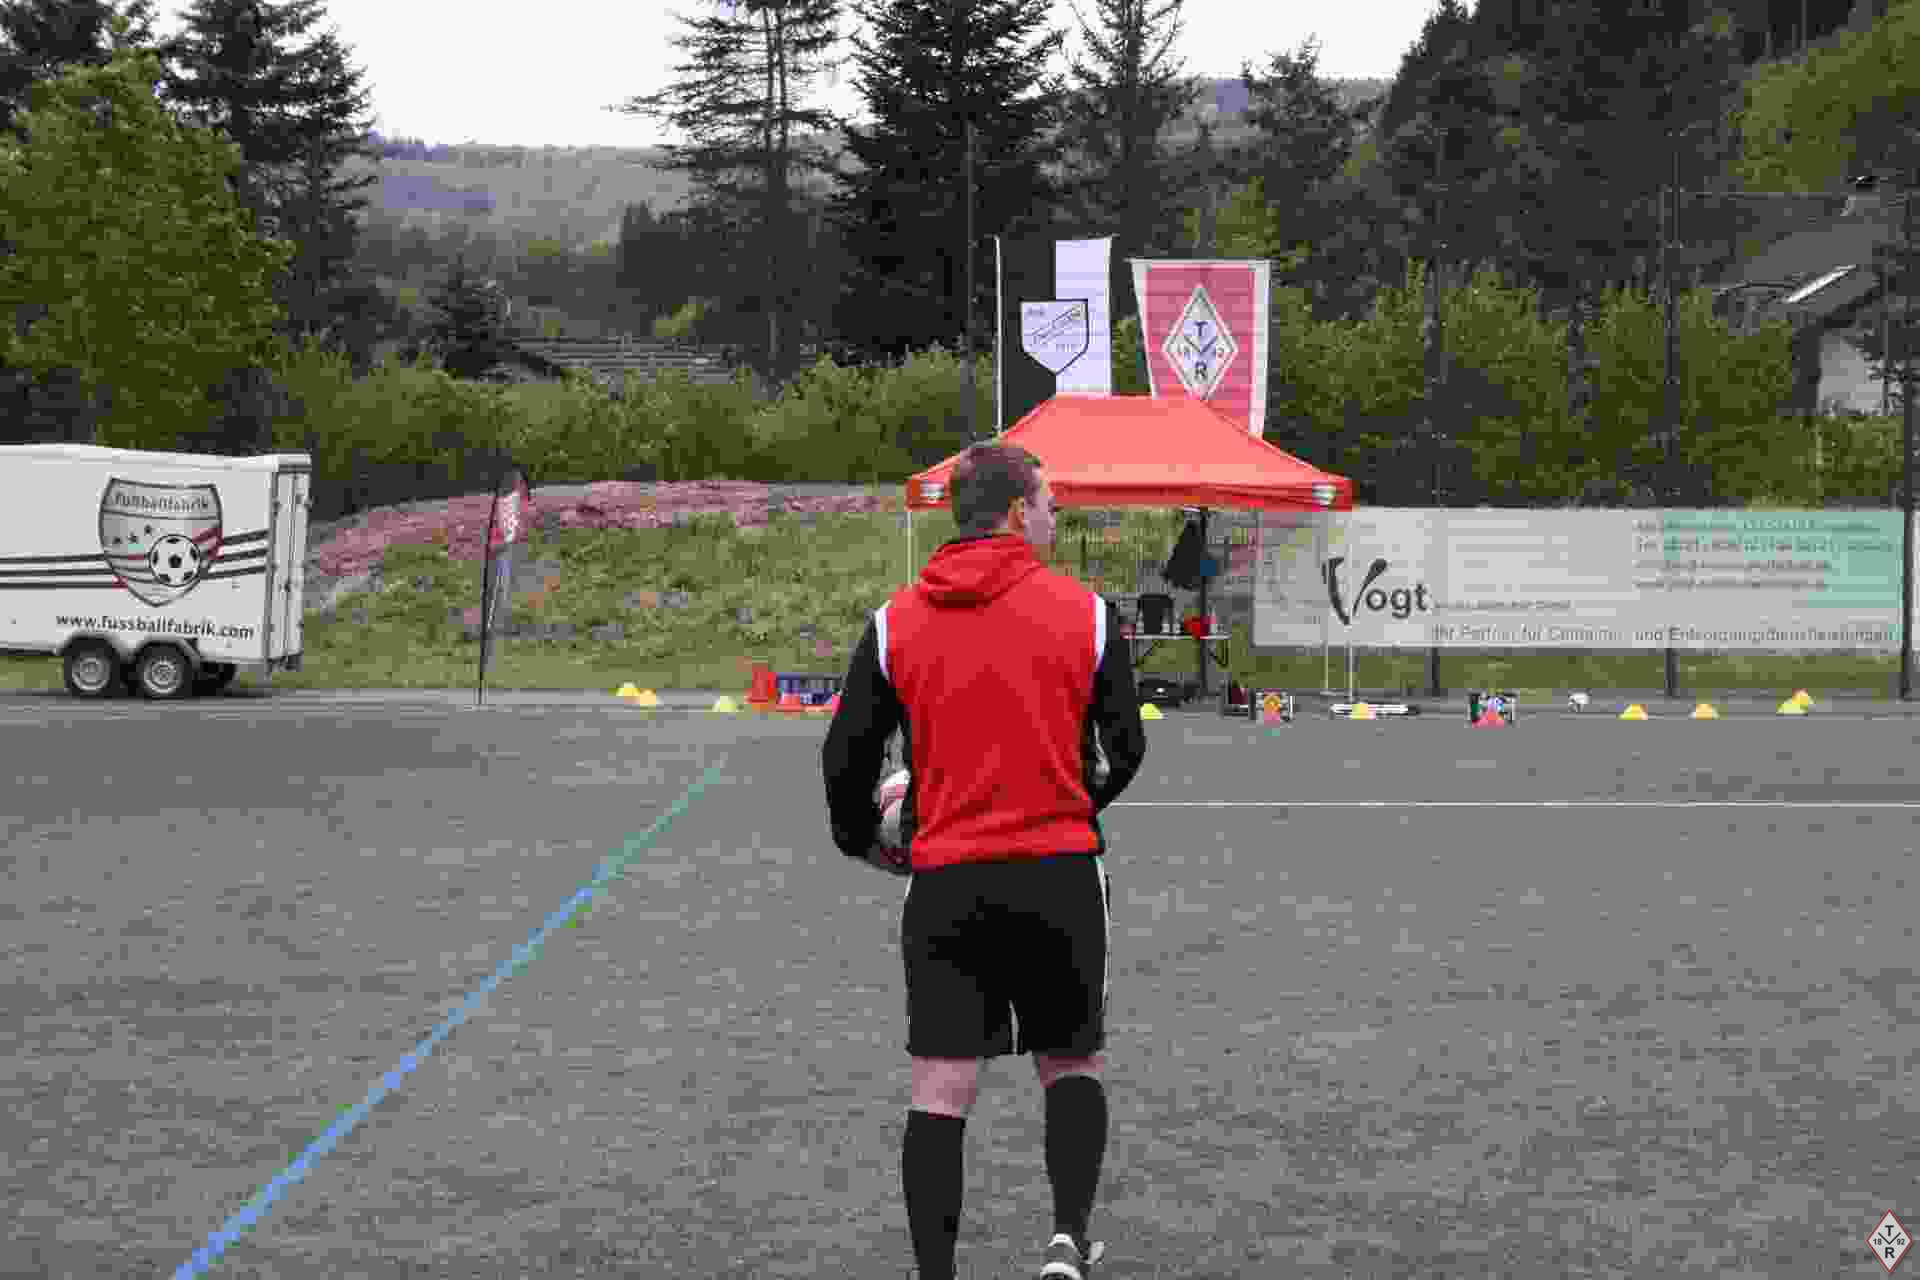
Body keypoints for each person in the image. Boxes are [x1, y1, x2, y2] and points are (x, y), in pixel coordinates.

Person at [821, 443, 1148, 1280]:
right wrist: (1070, 805)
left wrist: (866, 840)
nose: (1052, 519)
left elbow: (845, 756)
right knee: (1070, 1060)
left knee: (940, 1088)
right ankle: (1067, 1244)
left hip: (947, 883)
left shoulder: (896, 620)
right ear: (1011, 512)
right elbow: (1125, 749)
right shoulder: (1088, 614)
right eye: (1046, 505)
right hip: (1059, 876)